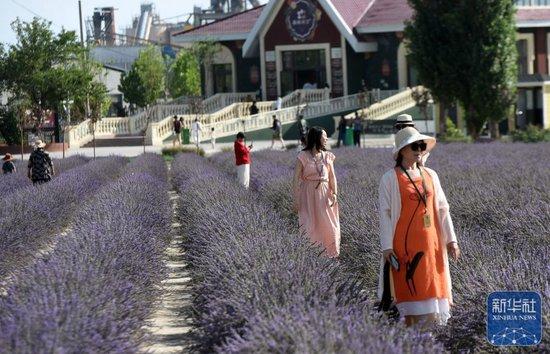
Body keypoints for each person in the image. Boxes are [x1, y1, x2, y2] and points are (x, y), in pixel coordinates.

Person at [378, 127, 460, 328]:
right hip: (404, 246)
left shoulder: (431, 174)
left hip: (432, 244)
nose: (419, 149)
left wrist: (451, 240)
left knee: (432, 288)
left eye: (421, 146)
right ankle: (410, 339)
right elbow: (385, 214)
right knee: (409, 292)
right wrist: (387, 246)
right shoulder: (390, 178)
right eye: (415, 145)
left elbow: (443, 209)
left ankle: (429, 338)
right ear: (402, 150)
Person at [292, 126, 340, 257]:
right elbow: (295, 179)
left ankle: (330, 254)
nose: (326, 139)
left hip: (325, 195)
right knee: (309, 226)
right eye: (324, 136)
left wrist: (335, 193)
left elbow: (332, 177)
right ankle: (312, 256)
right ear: (317, 138)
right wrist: (296, 199)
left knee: (330, 227)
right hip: (307, 195)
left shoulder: (328, 156)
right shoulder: (303, 156)